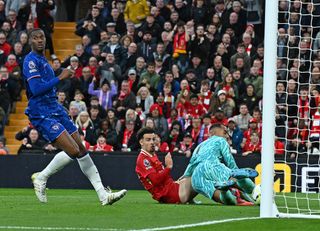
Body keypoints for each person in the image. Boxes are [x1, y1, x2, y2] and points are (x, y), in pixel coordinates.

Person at [23, 29, 126, 205]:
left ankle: (103, 195)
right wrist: (60, 77)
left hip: (55, 107)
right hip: (40, 111)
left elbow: (47, 86)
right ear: (30, 41)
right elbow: (36, 89)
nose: (40, 40)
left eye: (42, 37)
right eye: (35, 38)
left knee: (82, 150)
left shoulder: (43, 60)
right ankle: (41, 177)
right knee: (73, 151)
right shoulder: (30, 60)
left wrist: (64, 74)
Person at [183, 124, 258, 205]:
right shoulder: (221, 140)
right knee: (237, 178)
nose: (227, 135)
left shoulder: (199, 146)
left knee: (222, 198)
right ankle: (256, 191)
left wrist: (183, 180)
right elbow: (229, 160)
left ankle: (224, 191)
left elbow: (189, 170)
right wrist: (235, 171)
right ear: (212, 132)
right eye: (224, 132)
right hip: (212, 165)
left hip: (196, 176)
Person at [135, 127, 197, 204]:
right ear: (141, 142)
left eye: (153, 139)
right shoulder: (143, 159)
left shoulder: (151, 154)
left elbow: (163, 180)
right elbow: (155, 181)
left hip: (170, 189)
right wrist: (168, 167)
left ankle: (190, 199)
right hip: (169, 195)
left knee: (191, 175)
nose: (152, 142)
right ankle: (216, 196)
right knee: (199, 176)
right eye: (148, 140)